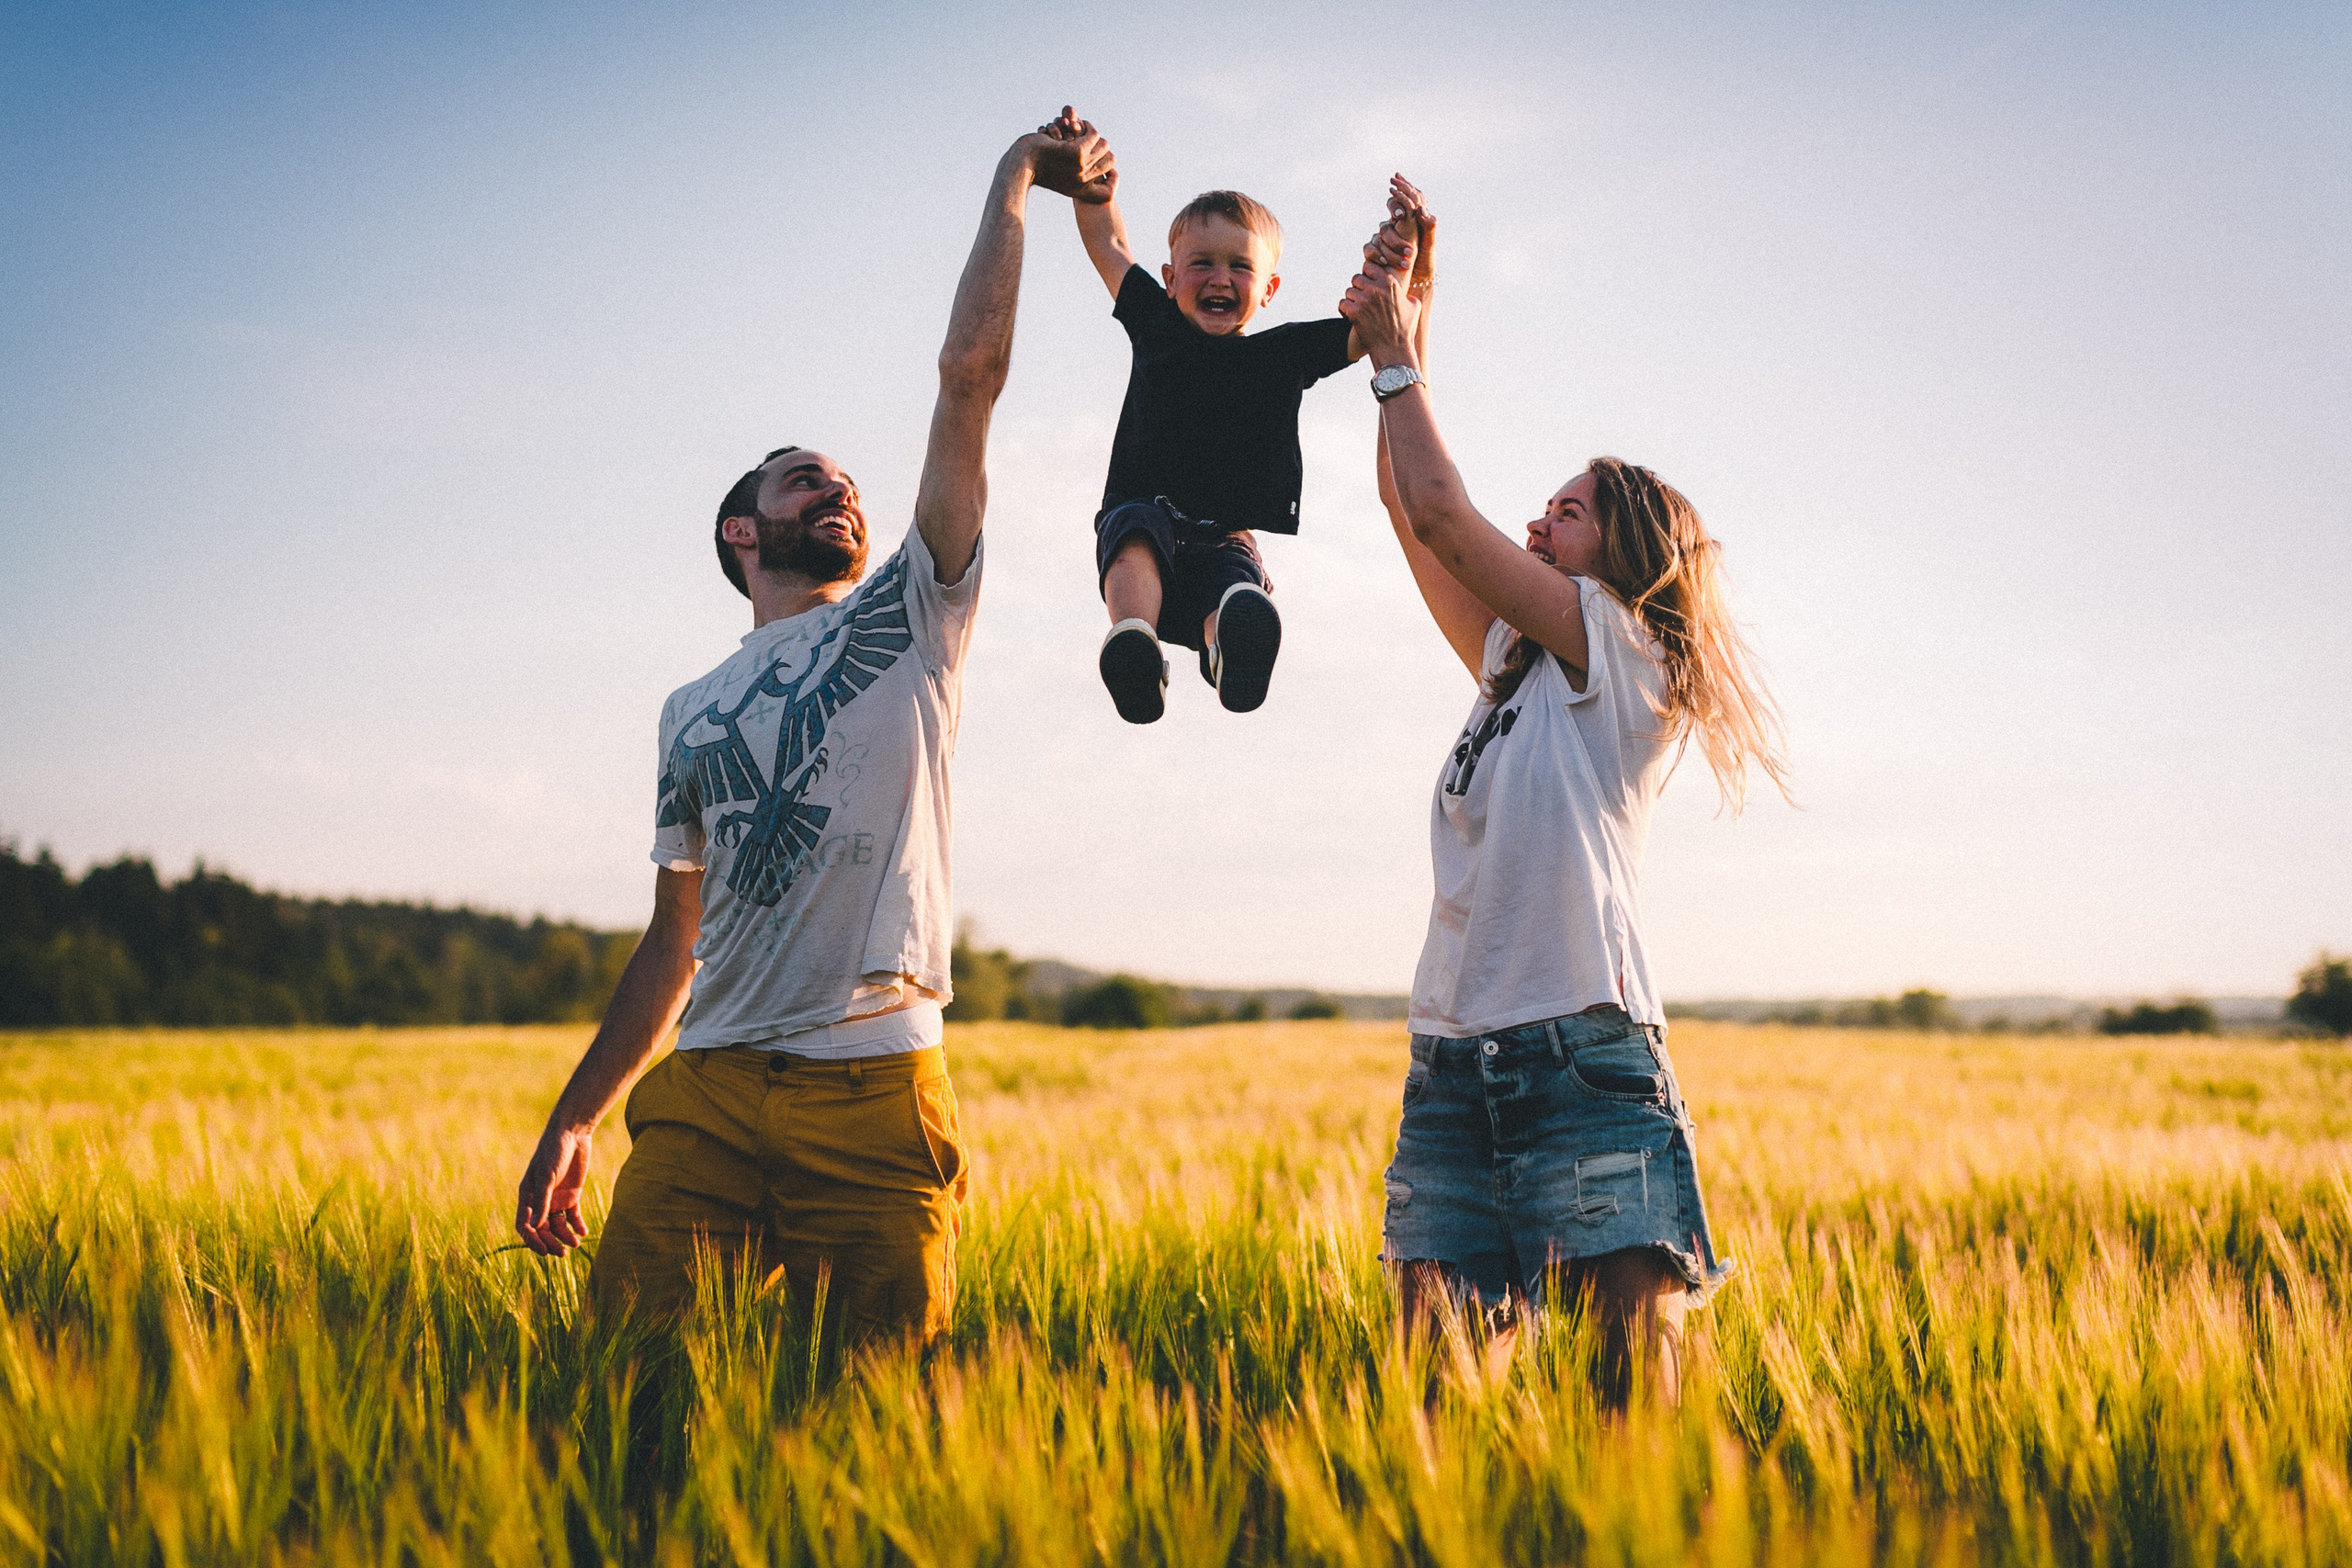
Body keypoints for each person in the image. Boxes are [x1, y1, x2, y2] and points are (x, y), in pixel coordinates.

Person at [511, 119, 1116, 1351]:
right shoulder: (688, 710)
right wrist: (578, 1113)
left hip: (876, 1089)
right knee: (625, 1387)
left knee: (886, 1417)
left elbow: (967, 375)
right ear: (741, 530)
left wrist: (1012, 181)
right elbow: (673, 942)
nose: (837, 489)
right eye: (802, 478)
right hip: (709, 1092)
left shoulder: (916, 607)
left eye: (846, 481)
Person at [1339, 181, 1790, 1404]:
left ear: (1625, 551)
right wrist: (1412, 318)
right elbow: (1408, 507)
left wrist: (1391, 353)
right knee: (1423, 1398)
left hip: (1577, 1048)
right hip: (1452, 1054)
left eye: (1568, 508)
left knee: (1625, 1402)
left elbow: (1443, 506)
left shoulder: (1619, 647)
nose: (1537, 517)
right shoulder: (1512, 662)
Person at [1043, 107, 1374, 723]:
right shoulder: (1157, 326)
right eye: (1202, 263)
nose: (1220, 278)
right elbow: (1109, 243)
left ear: (1268, 289)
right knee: (1134, 530)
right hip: (1148, 533)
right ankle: (1135, 643)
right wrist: (1091, 184)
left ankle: (1229, 647)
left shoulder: (1283, 354)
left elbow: (1362, 336)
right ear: (1169, 279)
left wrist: (1399, 269)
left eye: (1240, 266)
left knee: (1236, 578)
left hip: (1221, 537)